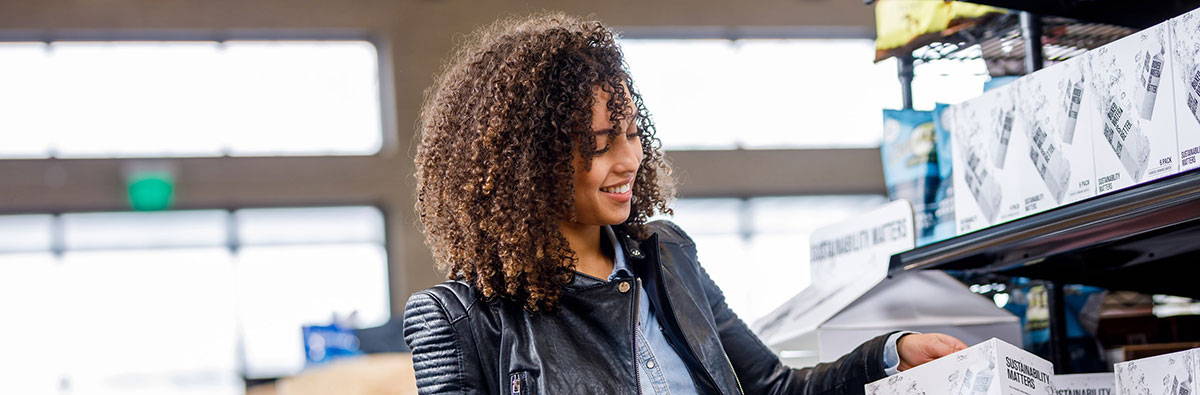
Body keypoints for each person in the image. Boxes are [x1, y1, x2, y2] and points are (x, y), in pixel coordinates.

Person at [404, 13, 968, 394]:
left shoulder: (666, 256)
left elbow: (772, 388)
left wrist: (891, 356)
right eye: (599, 145)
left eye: (630, 133)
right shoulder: (460, 320)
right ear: (527, 164)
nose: (628, 160)